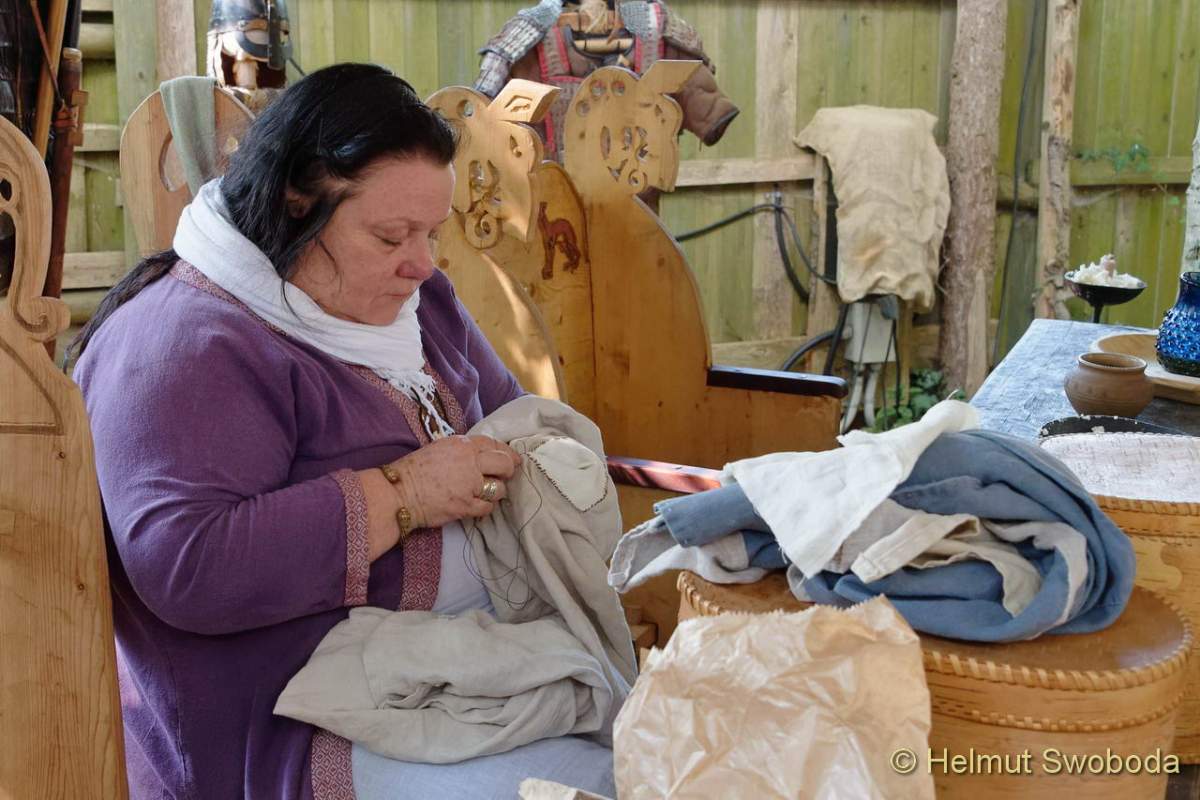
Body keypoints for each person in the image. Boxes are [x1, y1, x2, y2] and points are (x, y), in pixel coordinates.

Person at [70, 63, 616, 799]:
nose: (421, 264)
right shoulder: (179, 345)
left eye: (431, 232)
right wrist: (405, 493)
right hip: (290, 719)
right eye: (392, 235)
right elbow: (189, 566)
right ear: (297, 203)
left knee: (650, 755)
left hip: (463, 666)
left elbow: (506, 414)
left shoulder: (415, 300)